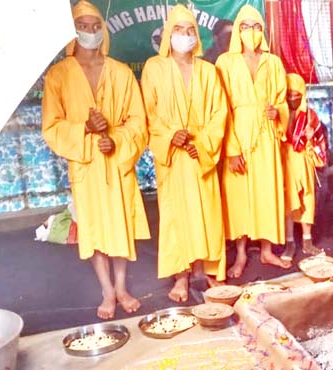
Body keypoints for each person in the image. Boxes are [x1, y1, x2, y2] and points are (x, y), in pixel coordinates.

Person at [41, 0, 150, 320]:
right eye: (82, 26)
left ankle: (121, 286)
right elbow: (52, 126)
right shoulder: (58, 76)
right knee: (94, 227)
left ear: (103, 30)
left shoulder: (120, 73)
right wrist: (85, 129)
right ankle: (106, 290)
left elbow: (137, 121)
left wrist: (114, 139)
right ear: (72, 33)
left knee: (121, 224)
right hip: (85, 164)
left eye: (95, 26)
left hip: (117, 163)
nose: (90, 31)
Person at [141, 4, 227, 302]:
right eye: (179, 30)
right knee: (177, 215)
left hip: (199, 154)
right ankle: (181, 276)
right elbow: (148, 112)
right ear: (168, 34)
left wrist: (200, 142)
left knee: (207, 214)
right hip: (174, 156)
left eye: (191, 30)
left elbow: (219, 113)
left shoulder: (208, 70)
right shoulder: (155, 67)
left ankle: (205, 272)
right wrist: (170, 136)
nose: (185, 35)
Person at [216, 5, 291, 274]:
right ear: (237, 30)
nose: (251, 31)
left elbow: (282, 101)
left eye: (257, 26)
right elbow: (220, 106)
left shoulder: (273, 62)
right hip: (237, 133)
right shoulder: (226, 61)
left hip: (266, 137)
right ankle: (240, 254)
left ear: (263, 30)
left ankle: (268, 251)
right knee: (239, 197)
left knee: (267, 191)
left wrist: (277, 112)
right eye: (245, 26)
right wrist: (231, 149)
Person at [281, 73, 326, 260]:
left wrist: (310, 137)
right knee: (289, 202)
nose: (293, 98)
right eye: (289, 94)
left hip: (304, 161)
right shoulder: (280, 114)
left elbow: (319, 139)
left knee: (307, 200)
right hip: (286, 162)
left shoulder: (310, 115)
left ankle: (307, 241)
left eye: (296, 94)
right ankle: (289, 243)